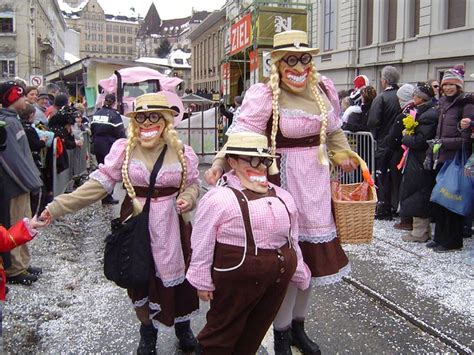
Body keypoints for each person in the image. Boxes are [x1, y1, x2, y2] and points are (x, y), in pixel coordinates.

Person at [204, 30, 356, 354]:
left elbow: (334, 133)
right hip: (281, 183)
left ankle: (299, 327)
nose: (298, 66)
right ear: (278, 62)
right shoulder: (264, 95)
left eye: (304, 58)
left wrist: (343, 155)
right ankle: (282, 333)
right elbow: (241, 135)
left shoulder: (322, 91)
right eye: (290, 59)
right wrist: (220, 162)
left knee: (311, 265)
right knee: (286, 265)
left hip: (315, 184)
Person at [41, 92, 200, 354]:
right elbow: (98, 185)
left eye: (153, 117)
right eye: (141, 118)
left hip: (173, 224)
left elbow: (192, 185)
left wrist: (188, 198)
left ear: (166, 121)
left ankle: (183, 327)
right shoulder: (124, 150)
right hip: (136, 223)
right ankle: (147, 331)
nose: (147, 124)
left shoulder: (181, 152)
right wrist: (57, 207)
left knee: (180, 280)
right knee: (138, 278)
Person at [188, 132, 310, 354]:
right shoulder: (219, 198)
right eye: (252, 160)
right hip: (236, 277)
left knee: (254, 331)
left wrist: (299, 267)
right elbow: (202, 240)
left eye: (265, 160)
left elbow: (293, 237)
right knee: (220, 334)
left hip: (276, 277)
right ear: (232, 161)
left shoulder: (283, 195)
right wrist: (202, 279)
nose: (260, 166)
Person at [425, 65, 473, 252]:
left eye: (452, 85)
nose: (448, 88)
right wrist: (432, 152)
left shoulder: (465, 105)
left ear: (459, 86)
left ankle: (452, 240)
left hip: (456, 159)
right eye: (446, 85)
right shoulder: (443, 103)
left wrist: (443, 142)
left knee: (452, 200)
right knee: (440, 200)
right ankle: (440, 237)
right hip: (443, 157)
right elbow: (439, 131)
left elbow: (465, 137)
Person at [0, 81, 44, 285]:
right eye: (20, 96)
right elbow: (12, 159)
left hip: (22, 183)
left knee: (24, 221)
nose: (26, 99)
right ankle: (14, 268)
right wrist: (30, 180)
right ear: (10, 99)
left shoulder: (13, 121)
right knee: (15, 223)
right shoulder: (6, 124)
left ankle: (23, 263)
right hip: (14, 184)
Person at [398, 83, 439, 242]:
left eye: (415, 95)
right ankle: (423, 230)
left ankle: (419, 232)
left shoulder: (428, 115)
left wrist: (405, 136)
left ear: (421, 98)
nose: (413, 97)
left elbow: (421, 140)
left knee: (418, 193)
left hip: (420, 159)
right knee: (417, 191)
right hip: (419, 159)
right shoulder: (426, 112)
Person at [367, 66, 401, 220]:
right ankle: (395, 206)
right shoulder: (403, 95)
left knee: (382, 175)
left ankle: (383, 207)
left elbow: (373, 121)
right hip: (400, 142)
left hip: (383, 142)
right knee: (395, 176)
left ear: (384, 80)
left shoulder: (381, 98)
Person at [90, 93, 126, 205]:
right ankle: (107, 196)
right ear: (114, 102)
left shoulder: (97, 113)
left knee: (102, 170)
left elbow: (92, 128)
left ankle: (104, 197)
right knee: (110, 172)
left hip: (97, 144)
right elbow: (120, 132)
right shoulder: (114, 115)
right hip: (109, 145)